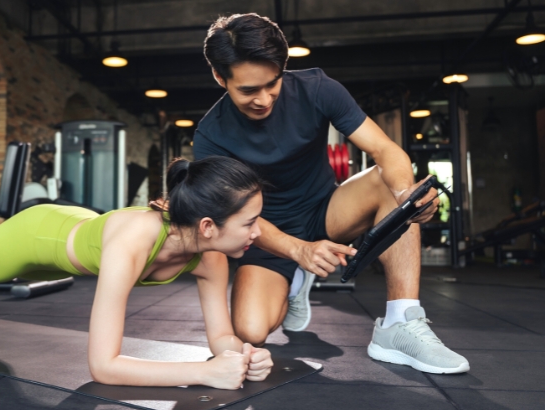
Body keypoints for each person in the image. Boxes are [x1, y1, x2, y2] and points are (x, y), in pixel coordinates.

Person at [194, 13, 469, 374]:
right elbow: (235, 219)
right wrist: (298, 250)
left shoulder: (318, 89)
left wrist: (406, 195)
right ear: (219, 77)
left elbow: (385, 150)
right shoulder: (211, 135)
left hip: (326, 211)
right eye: (248, 90)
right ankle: (296, 279)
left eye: (272, 83)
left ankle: (399, 323)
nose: (263, 99)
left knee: (390, 182)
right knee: (250, 330)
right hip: (266, 235)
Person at [0, 156, 274, 389]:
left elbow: (220, 336)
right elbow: (103, 366)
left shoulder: (211, 257)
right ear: (207, 226)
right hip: (38, 236)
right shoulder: (134, 242)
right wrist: (202, 372)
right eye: (249, 222)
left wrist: (240, 354)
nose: (259, 232)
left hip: (82, 225)